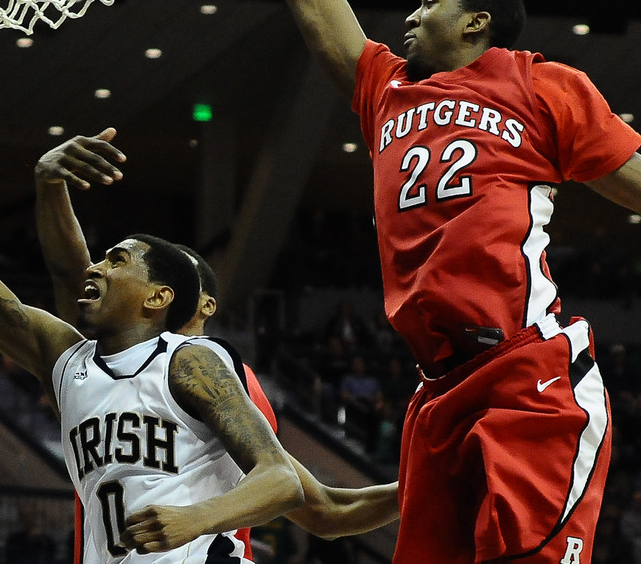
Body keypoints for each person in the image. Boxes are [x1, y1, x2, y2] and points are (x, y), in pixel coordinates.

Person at [279, 0, 641, 561]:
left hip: (525, 374)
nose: (411, 16)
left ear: (476, 22)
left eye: (430, 1)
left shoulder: (542, 87)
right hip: (438, 391)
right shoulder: (384, 89)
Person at [0, 23, 305, 561]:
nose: (95, 266)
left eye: (118, 260)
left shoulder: (189, 362)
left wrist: (196, 519)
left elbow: (280, 479)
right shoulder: (66, 359)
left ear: (158, 297)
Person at [33, 133, 400, 557]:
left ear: (199, 302)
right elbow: (71, 278)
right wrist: (50, 185)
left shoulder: (220, 374)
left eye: (179, 274)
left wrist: (428, 483)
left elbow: (318, 506)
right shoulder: (108, 361)